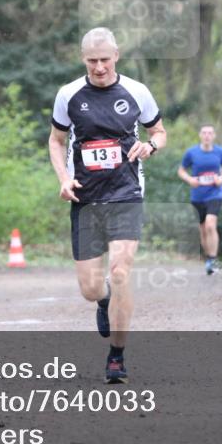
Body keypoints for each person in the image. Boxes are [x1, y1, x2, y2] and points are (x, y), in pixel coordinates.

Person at [48, 27, 166, 384]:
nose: (99, 67)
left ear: (116, 56)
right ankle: (104, 301)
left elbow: (159, 131)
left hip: (126, 193)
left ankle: (117, 356)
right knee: (90, 288)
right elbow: (56, 141)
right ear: (83, 59)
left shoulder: (136, 91)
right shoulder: (69, 95)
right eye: (92, 61)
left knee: (120, 271)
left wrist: (150, 146)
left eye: (104, 60)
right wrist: (63, 179)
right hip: (85, 197)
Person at [178, 125, 222, 275]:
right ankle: (208, 259)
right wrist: (190, 179)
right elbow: (181, 170)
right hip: (198, 196)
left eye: (210, 133)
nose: (207, 136)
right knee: (203, 230)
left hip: (215, 193)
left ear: (214, 135)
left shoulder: (220, 152)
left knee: (211, 224)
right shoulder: (191, 153)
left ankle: (213, 259)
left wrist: (221, 178)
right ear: (200, 135)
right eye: (204, 133)